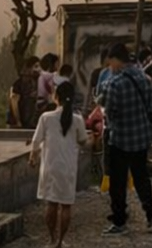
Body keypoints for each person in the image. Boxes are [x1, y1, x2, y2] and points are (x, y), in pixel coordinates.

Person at [99, 42, 152, 236]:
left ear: (116, 60)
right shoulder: (144, 78)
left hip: (120, 138)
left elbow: (110, 114)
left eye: (111, 63)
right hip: (141, 136)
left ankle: (119, 221)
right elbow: (151, 106)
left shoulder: (113, 84)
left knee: (118, 182)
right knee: (142, 177)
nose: (111, 67)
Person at [30, 79, 88, 248]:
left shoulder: (46, 118)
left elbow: (35, 142)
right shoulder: (77, 120)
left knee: (51, 203)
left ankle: (51, 239)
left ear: (56, 97)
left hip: (50, 166)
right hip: (68, 167)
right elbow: (83, 141)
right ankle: (61, 241)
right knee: (66, 205)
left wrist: (32, 158)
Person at [10, 58, 41, 131]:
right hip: (22, 122)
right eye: (36, 66)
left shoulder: (36, 81)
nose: (38, 69)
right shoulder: (19, 84)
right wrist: (18, 121)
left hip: (31, 122)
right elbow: (14, 103)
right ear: (29, 68)